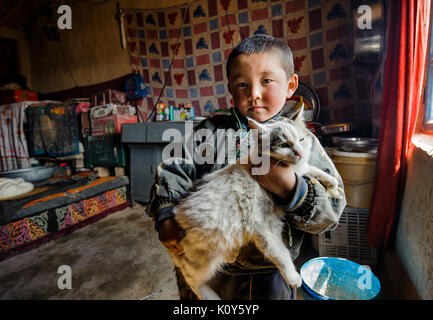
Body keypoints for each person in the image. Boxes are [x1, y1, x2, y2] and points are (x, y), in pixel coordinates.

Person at [147, 34, 346, 300]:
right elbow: (173, 168)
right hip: (210, 259)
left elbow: (332, 207)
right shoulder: (209, 132)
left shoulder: (303, 141)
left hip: (268, 272)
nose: (253, 94)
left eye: (266, 81)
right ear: (230, 88)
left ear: (291, 85)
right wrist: (166, 214)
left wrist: (291, 189)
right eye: (242, 84)